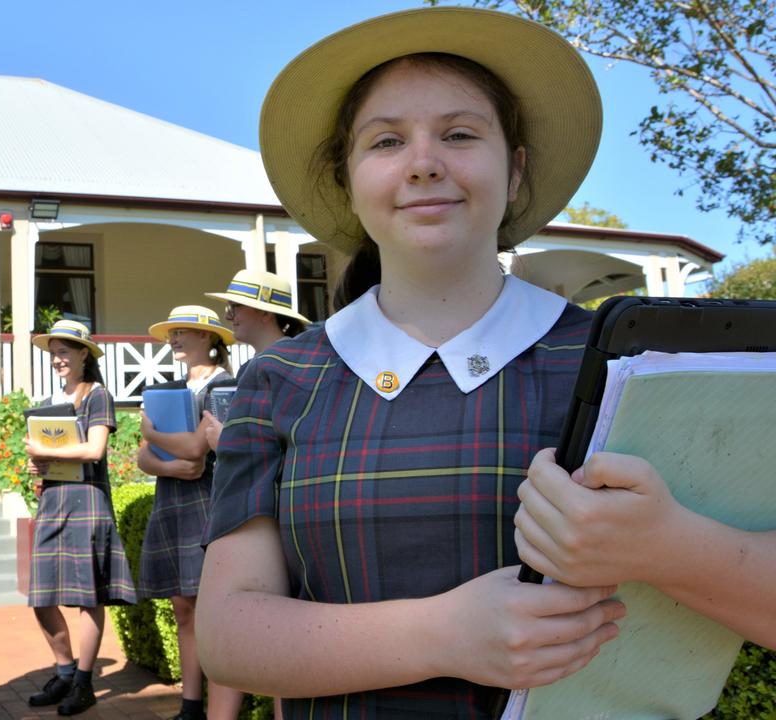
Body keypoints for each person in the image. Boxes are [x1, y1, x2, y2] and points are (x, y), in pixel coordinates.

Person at [196, 6, 770, 717]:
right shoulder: (281, 379)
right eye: (386, 141)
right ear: (347, 179)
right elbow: (227, 636)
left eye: (460, 134)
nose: (425, 161)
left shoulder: (635, 370)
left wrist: (672, 548)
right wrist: (441, 634)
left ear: (515, 168)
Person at [23, 320, 137, 716]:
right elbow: (58, 455)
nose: (58, 359)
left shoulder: (98, 395)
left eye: (65, 351)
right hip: (53, 500)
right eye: (53, 352)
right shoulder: (51, 402)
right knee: (41, 596)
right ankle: (65, 672)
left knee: (87, 597)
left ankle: (84, 682)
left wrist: (46, 451)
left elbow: (93, 450)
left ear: (84, 353)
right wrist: (39, 464)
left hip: (87, 501)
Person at [136, 306, 242, 720]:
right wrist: (167, 464)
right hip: (173, 501)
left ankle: (218, 710)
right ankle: (190, 705)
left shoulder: (225, 385)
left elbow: (198, 448)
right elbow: (144, 458)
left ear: (209, 338)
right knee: (183, 607)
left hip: (209, 502)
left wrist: (154, 435)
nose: (174, 339)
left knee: (212, 610)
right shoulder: (170, 389)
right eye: (172, 333)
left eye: (184, 332)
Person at [202, 269, 309, 451]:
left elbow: (286, 440)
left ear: (265, 313)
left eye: (234, 307)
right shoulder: (257, 365)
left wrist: (226, 444)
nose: (228, 316)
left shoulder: (291, 364)